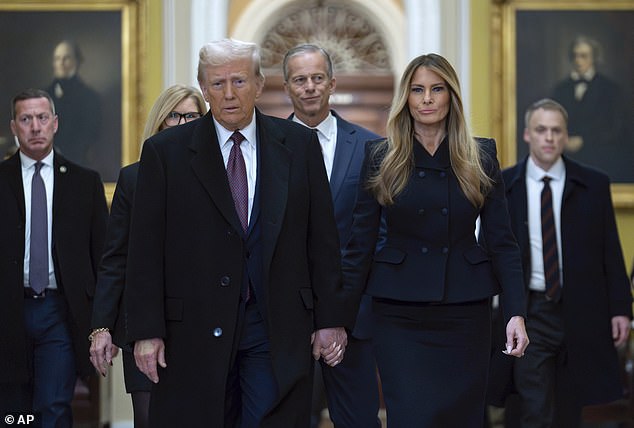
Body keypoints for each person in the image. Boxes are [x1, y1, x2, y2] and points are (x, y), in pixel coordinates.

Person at [124, 38, 351, 427]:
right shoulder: (166, 152)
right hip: (192, 329)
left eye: (239, 82)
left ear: (260, 84)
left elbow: (322, 240)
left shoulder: (299, 145)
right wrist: (146, 330)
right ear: (204, 88)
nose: (228, 94)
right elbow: (145, 250)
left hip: (274, 324)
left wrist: (329, 319)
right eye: (217, 84)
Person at [341, 53, 529, 427]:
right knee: (411, 416)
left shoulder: (480, 155)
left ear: (451, 97)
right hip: (399, 313)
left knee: (460, 418)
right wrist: (338, 320)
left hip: (465, 311)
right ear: (406, 99)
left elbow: (502, 242)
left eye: (437, 89)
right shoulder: (382, 156)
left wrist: (515, 312)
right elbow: (359, 246)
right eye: (418, 90)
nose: (427, 98)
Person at [496, 98, 632, 427]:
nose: (549, 138)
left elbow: (610, 251)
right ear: (527, 134)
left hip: (581, 310)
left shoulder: (593, 184)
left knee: (571, 404)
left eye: (557, 131)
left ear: (566, 135)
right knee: (534, 404)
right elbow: (494, 248)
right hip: (531, 310)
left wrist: (621, 309)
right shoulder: (504, 185)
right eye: (541, 130)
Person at [88, 84, 207, 428]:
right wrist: (101, 326)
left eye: (192, 115)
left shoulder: (221, 177)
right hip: (144, 321)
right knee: (149, 418)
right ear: (160, 121)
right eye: (175, 114)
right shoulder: (134, 178)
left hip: (202, 323)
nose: (183, 122)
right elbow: (116, 259)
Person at [282, 43, 382, 428]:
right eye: (300, 80)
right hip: (285, 321)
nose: (309, 87)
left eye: (317, 78)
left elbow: (377, 235)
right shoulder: (263, 147)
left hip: (354, 320)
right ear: (287, 87)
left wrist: (343, 313)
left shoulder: (371, 147)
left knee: (358, 420)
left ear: (332, 83)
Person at [0, 88, 108, 426]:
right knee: (14, 414)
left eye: (42, 118)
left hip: (58, 311)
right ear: (13, 126)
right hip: (7, 310)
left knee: (54, 408)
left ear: (55, 124)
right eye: (26, 119)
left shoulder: (84, 183)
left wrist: (102, 323)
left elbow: (103, 257)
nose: (35, 127)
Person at [551, 36, 633, 182]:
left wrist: (584, 140)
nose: (578, 60)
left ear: (594, 58)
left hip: (601, 159)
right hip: (565, 160)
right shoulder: (560, 89)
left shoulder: (611, 89)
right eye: (575, 55)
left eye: (583, 56)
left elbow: (616, 127)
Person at [46, 40, 102, 170]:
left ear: (76, 62)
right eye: (57, 58)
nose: (61, 63)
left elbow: (90, 135)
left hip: (77, 164)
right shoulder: (42, 96)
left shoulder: (90, 98)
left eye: (66, 58)